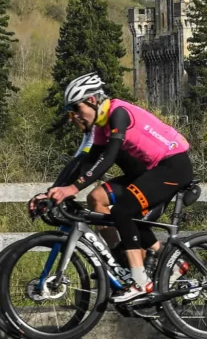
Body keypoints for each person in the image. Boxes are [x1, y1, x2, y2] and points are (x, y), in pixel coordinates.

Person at [34, 72, 194, 302]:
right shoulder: (100, 127)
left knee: (122, 209)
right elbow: (87, 162)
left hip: (172, 167)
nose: (74, 117)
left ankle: (141, 282)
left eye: (76, 110)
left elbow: (108, 158)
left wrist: (72, 189)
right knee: (97, 198)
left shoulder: (118, 113)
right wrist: (55, 190)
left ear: (91, 100)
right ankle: (139, 261)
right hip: (149, 172)